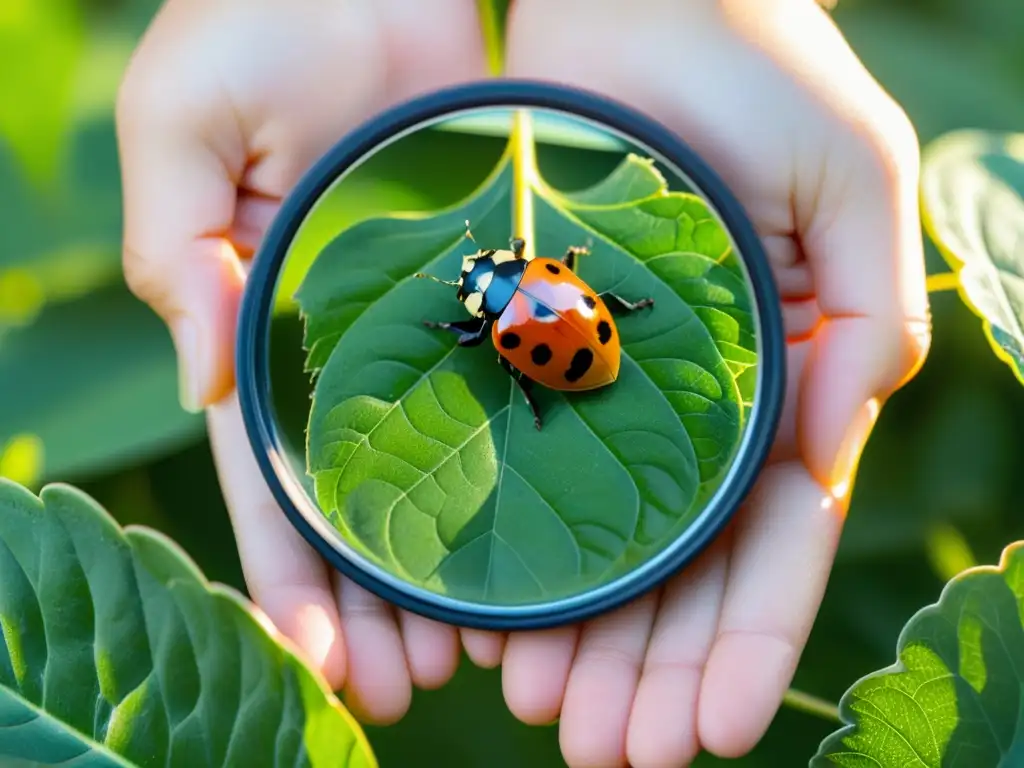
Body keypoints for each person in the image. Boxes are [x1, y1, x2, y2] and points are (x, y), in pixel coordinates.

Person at [115, 1, 930, 766]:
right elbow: (535, 315)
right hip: (580, 334)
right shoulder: (526, 290)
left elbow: (503, 336)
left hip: (575, 344)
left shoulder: (500, 316)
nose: (472, 288)